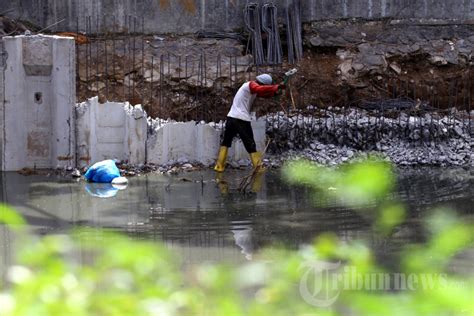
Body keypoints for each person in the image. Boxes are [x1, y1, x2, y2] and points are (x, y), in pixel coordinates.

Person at [214, 74, 285, 172]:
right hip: (241, 119)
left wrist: (275, 92)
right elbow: (260, 90)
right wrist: (276, 87)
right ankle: (258, 167)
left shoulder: (251, 89)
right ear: (262, 83)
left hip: (231, 117)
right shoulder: (251, 85)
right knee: (250, 143)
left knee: (226, 141)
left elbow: (264, 94)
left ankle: (219, 166)